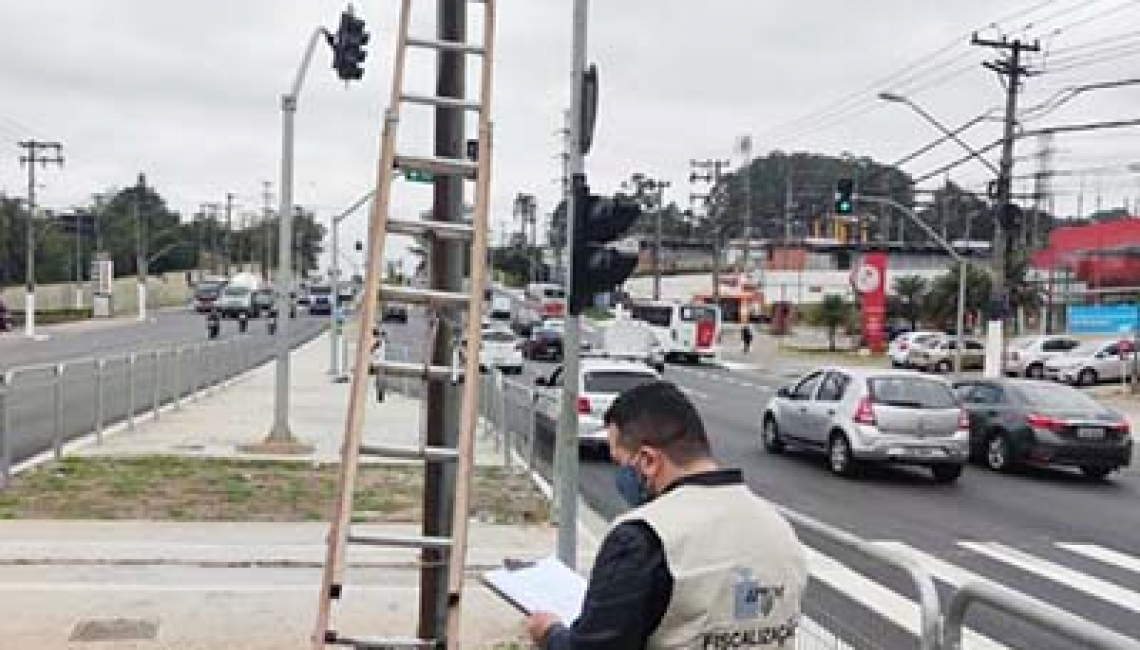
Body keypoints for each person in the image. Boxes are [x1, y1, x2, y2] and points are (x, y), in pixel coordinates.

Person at [526, 381, 808, 650]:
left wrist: (550, 632)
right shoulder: (779, 529)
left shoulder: (643, 536)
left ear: (648, 460)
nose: (619, 474)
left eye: (620, 461)